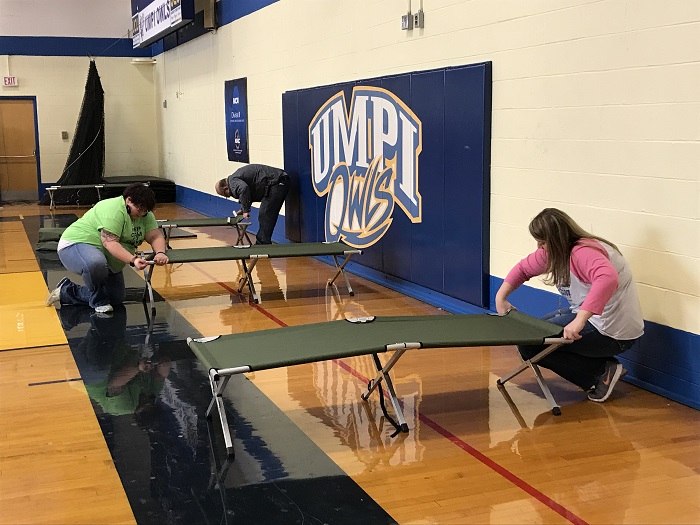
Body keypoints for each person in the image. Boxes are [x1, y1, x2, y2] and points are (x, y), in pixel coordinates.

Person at [495, 208, 644, 403]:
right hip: (596, 320)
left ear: (557, 239)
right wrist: (501, 298)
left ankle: (600, 374)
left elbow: (607, 279)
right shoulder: (555, 251)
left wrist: (580, 321)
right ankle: (600, 368)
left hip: (612, 331)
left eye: (543, 242)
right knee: (532, 335)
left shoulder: (583, 253)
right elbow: (523, 269)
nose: (539, 247)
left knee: (530, 345)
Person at [45, 183, 169, 313]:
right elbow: (110, 243)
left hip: (108, 255)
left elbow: (155, 236)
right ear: (128, 200)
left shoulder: (145, 215)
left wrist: (160, 253)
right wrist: (133, 260)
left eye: (145, 210)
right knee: (95, 263)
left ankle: (65, 291)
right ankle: (99, 302)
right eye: (139, 208)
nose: (142, 213)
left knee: (115, 298)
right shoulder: (113, 210)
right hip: (76, 244)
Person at [214, 164, 289, 245]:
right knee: (264, 213)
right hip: (278, 181)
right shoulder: (235, 179)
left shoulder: (232, 182)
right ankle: (262, 243)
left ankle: (262, 244)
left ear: (225, 188)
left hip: (278, 182)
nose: (229, 196)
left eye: (226, 195)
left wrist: (246, 210)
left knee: (265, 213)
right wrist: (243, 209)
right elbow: (248, 194)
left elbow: (243, 189)